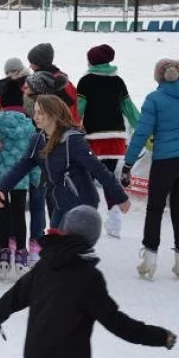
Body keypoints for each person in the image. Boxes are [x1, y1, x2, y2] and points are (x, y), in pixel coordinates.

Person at [0, 206, 176, 358]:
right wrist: (159, 336)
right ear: (92, 239)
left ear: (64, 229)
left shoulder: (46, 264)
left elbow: (17, 293)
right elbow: (117, 322)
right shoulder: (88, 278)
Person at [123, 59, 179, 282]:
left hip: (164, 161)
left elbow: (141, 133)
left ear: (158, 76)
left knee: (155, 208)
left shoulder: (154, 99)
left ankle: (149, 259)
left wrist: (128, 163)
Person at [0, 95, 129, 229]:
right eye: (35, 112)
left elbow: (98, 169)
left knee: (66, 245)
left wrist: (120, 196)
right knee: (56, 242)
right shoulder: (38, 140)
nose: (35, 117)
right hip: (61, 202)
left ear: (53, 114)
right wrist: (2, 187)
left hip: (82, 203)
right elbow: (22, 166)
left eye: (40, 113)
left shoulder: (72, 141)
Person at [76, 44, 139, 240]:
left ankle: (86, 221)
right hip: (116, 137)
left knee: (86, 180)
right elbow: (129, 108)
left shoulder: (85, 81)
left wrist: (70, 126)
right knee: (109, 178)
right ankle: (115, 222)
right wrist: (144, 127)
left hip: (93, 138)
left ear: (91, 61)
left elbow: (79, 108)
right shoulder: (118, 81)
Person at [0, 78, 41, 279]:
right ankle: (20, 254)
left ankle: (3, 254)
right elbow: (35, 153)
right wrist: (35, 176)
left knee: (2, 216)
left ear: (2, 102)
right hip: (20, 178)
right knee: (19, 215)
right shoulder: (29, 125)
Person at [27, 43, 80, 125]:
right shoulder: (64, 81)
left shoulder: (43, 84)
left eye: (32, 63)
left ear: (39, 63)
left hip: (58, 129)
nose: (30, 66)